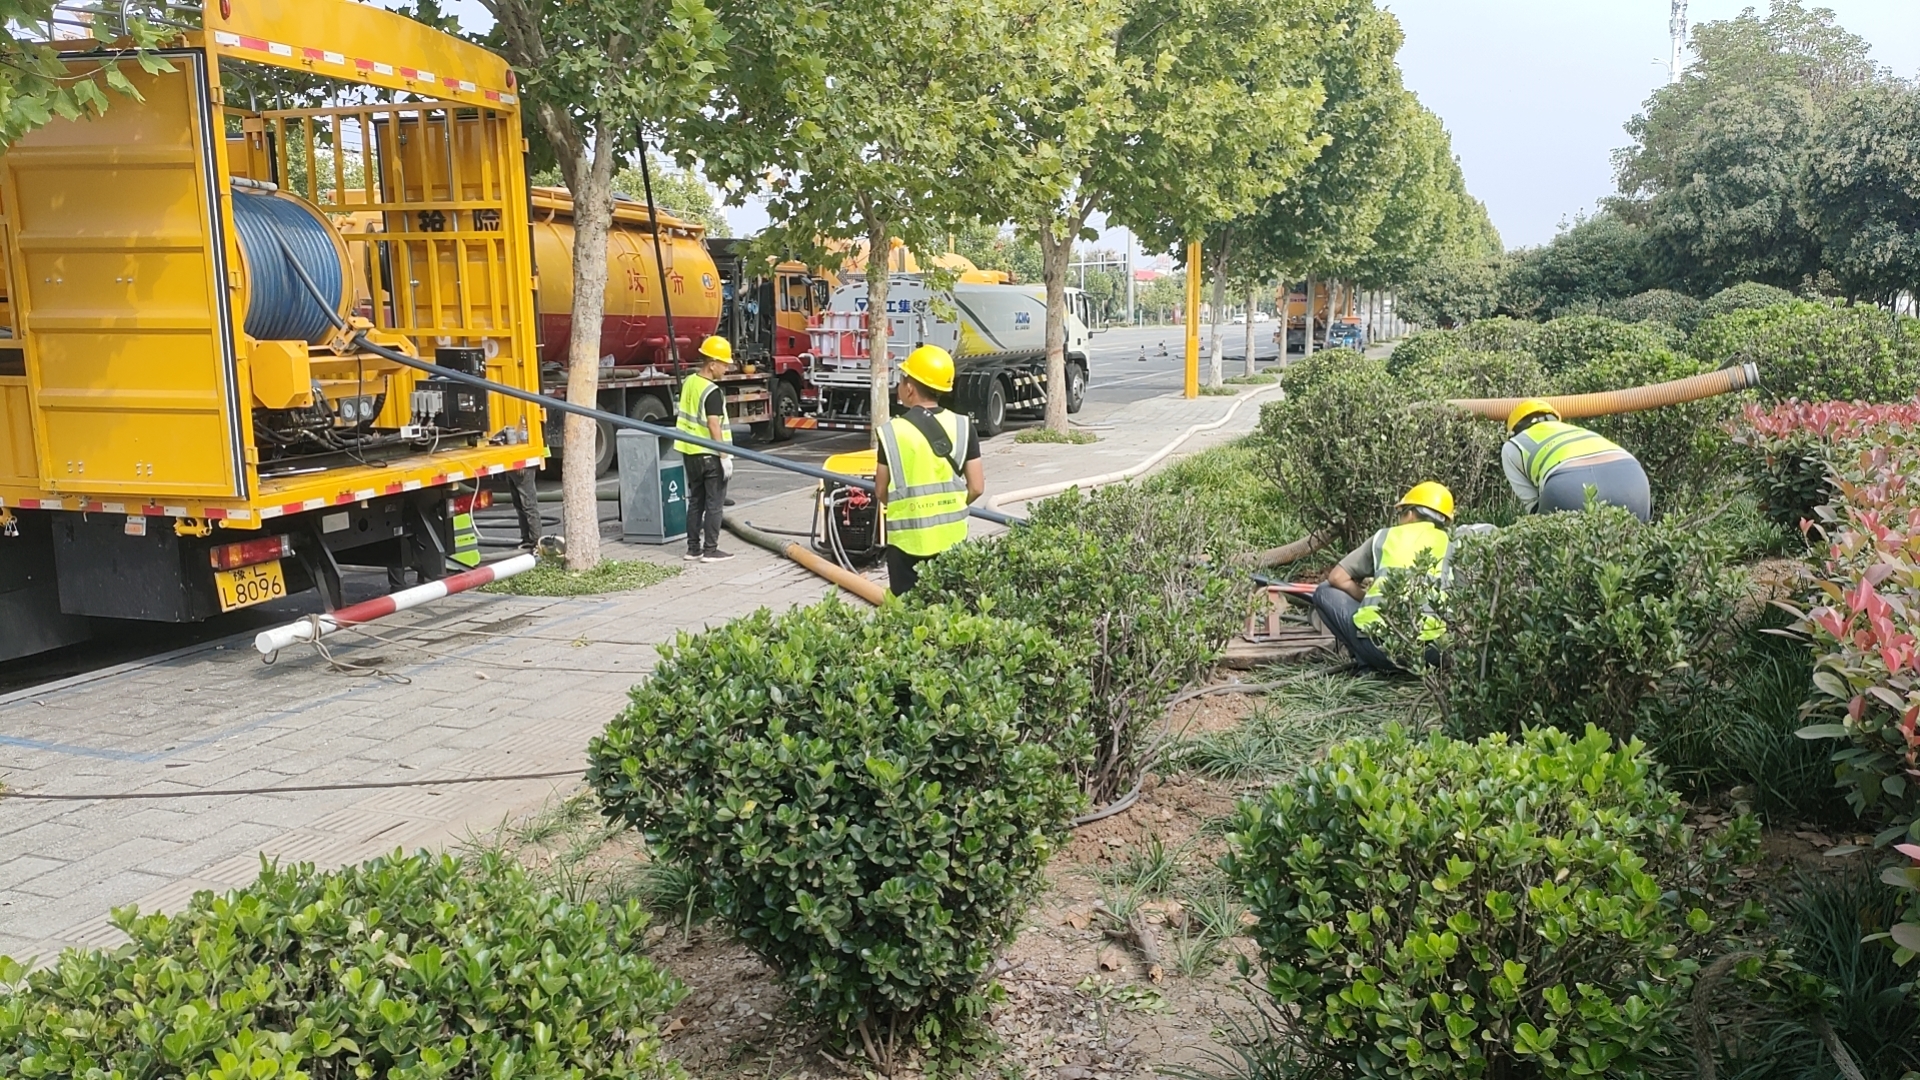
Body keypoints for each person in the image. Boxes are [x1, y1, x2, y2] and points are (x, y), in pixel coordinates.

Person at [874, 344, 985, 595]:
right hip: (953, 540)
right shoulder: (963, 426)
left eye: (902, 379)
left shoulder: (892, 432)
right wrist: (951, 504)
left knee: (909, 617)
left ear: (910, 387)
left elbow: (881, 490)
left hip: (906, 544)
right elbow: (977, 487)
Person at [1311, 482, 1455, 674]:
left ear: (1411, 514)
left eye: (1402, 513)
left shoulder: (1385, 537)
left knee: (1324, 592)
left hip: (1379, 650)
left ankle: (1365, 664)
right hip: (1430, 653)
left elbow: (1337, 577)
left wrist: (1366, 599)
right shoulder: (1451, 545)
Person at [1502, 399, 1650, 522]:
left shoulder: (1514, 444)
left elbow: (1534, 508)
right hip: (1631, 478)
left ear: (1514, 431)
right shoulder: (1575, 429)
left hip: (1568, 485)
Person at [675, 336, 737, 563]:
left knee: (695, 501)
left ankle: (693, 549)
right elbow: (713, 424)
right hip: (710, 454)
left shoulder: (690, 382)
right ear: (712, 364)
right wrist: (724, 456)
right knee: (714, 504)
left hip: (690, 452)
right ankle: (711, 550)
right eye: (723, 363)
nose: (727, 368)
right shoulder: (712, 392)